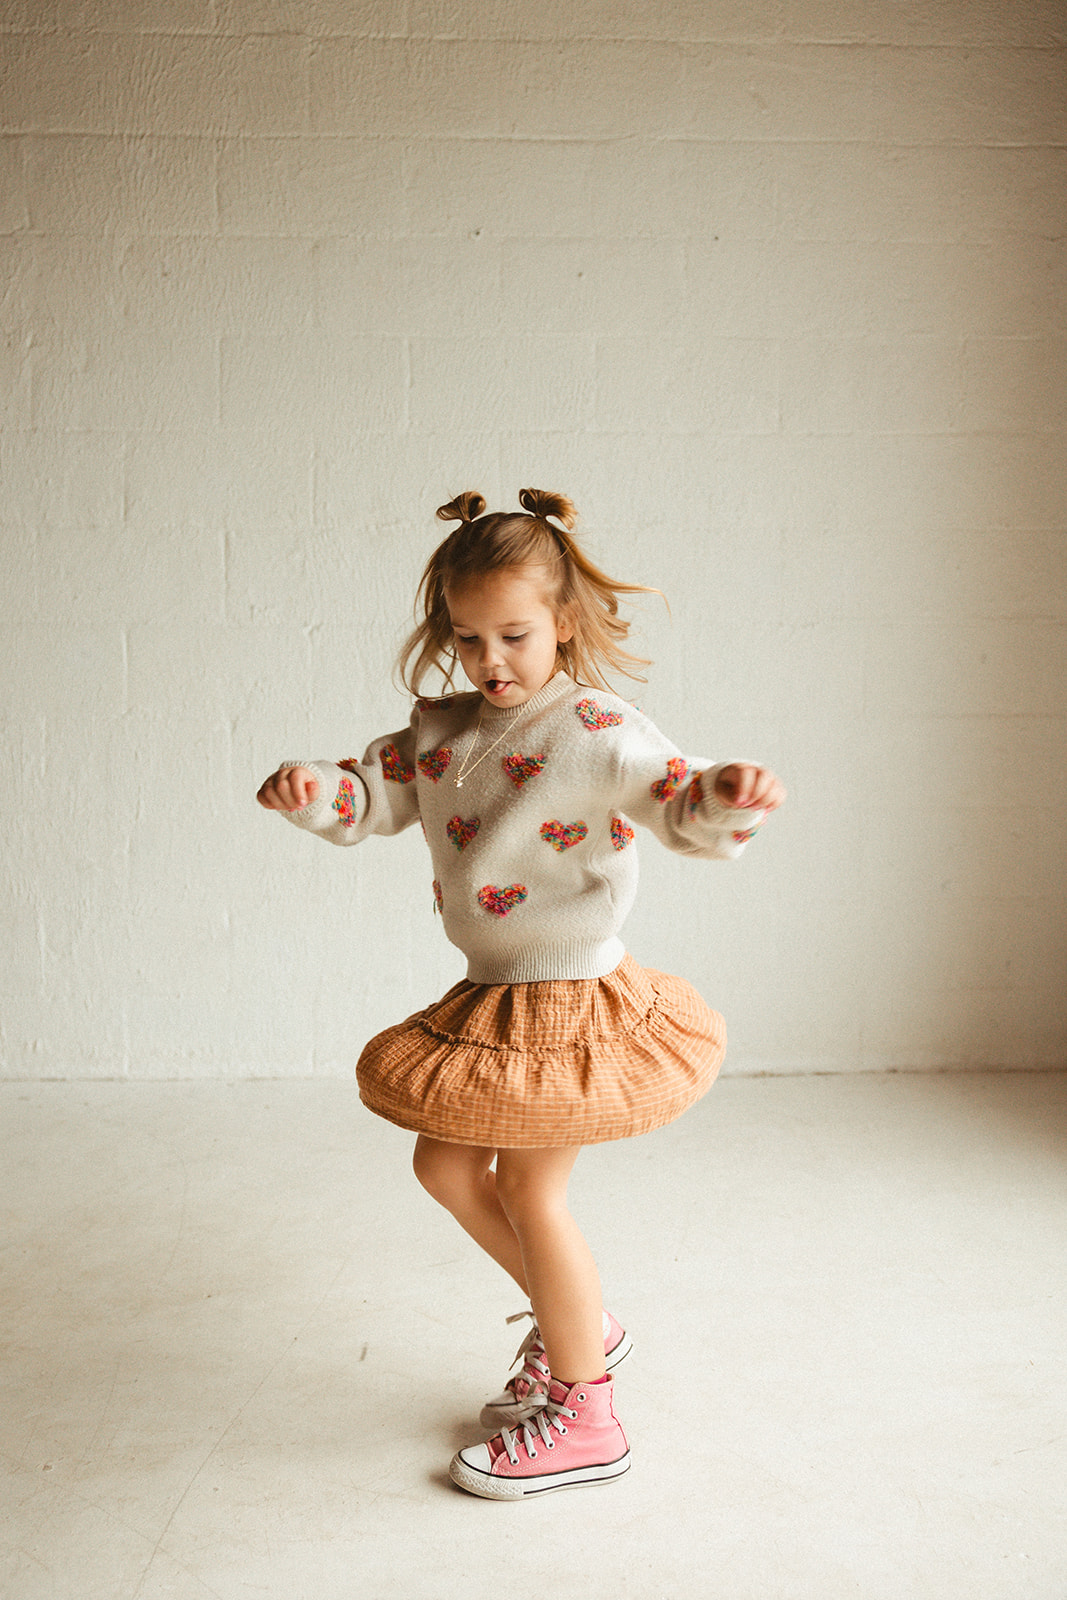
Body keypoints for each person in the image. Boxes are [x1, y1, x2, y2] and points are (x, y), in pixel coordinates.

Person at [257, 488, 785, 1500]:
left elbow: (674, 792)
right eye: (467, 638)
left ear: (564, 624)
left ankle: (587, 1412)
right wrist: (315, 793)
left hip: (570, 1000)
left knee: (534, 1191)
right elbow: (375, 793)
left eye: (513, 635)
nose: (490, 661)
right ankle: (577, 1317)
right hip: (492, 994)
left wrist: (722, 795)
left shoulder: (594, 725)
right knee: (445, 1168)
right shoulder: (443, 727)